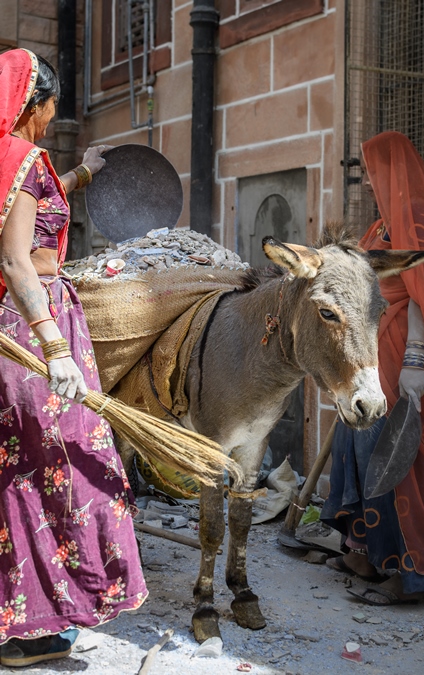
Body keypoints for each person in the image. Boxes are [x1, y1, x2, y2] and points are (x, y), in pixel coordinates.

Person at [0, 48, 147, 666]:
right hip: (33, 330)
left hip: (11, 326)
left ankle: (21, 617)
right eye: (52, 106)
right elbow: (14, 259)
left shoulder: (13, 161)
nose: (52, 118)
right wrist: (55, 346)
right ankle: (31, 627)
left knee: (17, 466)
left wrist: (81, 174)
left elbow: (26, 212)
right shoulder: (24, 158)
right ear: (36, 103)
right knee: (68, 457)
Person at [321, 131, 424, 605]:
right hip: (369, 358)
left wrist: (414, 361)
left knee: (394, 465)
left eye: (377, 170)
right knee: (354, 450)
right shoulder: (381, 226)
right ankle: (365, 555)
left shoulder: (416, 223)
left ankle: (405, 576)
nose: (372, 180)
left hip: (400, 363)